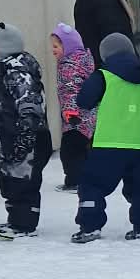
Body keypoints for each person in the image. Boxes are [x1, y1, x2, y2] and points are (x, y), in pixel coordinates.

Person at [71, 31, 140, 242]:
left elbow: (84, 101)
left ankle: (90, 226)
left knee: (92, 185)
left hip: (109, 144)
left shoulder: (102, 76)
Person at [0, 23, 48, 240]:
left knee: (23, 183)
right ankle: (15, 219)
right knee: (9, 180)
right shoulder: (0, 69)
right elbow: (0, 106)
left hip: (27, 138)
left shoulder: (17, 71)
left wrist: (25, 139)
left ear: (2, 46)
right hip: (9, 136)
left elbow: (30, 106)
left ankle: (24, 224)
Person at [50, 23, 96, 191]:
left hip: (75, 117)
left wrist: (70, 111)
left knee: (70, 151)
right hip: (86, 115)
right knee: (81, 149)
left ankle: (75, 181)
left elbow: (70, 89)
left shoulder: (69, 66)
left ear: (68, 46)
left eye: (56, 46)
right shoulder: (81, 61)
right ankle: (84, 177)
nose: (53, 50)